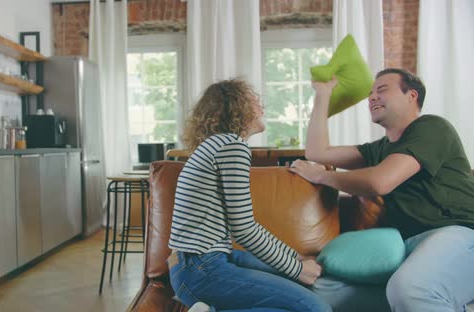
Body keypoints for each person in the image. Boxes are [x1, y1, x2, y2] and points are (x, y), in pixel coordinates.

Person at [289, 68, 474, 312]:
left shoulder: (433, 128)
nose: (372, 97)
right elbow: (316, 152)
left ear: (412, 96)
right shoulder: (379, 149)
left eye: (382, 90)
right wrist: (323, 94)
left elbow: (381, 181)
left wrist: (322, 175)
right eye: (371, 93)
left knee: (411, 288)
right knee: (320, 293)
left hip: (459, 233)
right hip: (407, 245)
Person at [167, 78, 332, 312]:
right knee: (317, 309)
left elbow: (246, 228)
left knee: (295, 281)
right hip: (201, 268)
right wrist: (298, 269)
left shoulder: (215, 145)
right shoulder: (231, 146)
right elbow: (245, 229)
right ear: (236, 106)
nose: (261, 105)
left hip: (199, 263)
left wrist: (296, 260)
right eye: (254, 100)